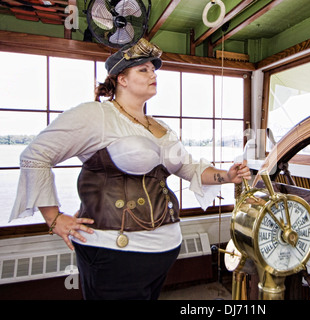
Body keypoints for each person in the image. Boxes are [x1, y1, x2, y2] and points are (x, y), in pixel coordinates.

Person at [9, 38, 251, 300]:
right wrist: (54, 218)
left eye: (154, 69)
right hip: (115, 253)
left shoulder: (161, 127)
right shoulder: (97, 116)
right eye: (143, 69)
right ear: (121, 79)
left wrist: (227, 176)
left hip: (164, 250)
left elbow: (188, 167)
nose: (153, 74)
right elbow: (35, 155)